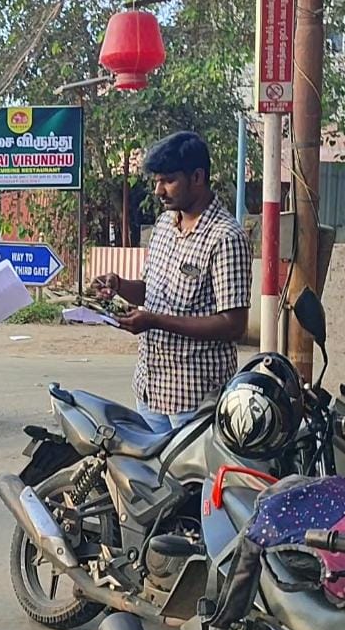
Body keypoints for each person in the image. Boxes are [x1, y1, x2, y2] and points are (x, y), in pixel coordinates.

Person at [94, 131, 252, 432]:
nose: (158, 190)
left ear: (197, 177)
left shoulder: (226, 238)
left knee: (196, 481)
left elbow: (233, 325)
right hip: (151, 389)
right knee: (150, 479)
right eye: (156, 181)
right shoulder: (166, 223)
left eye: (167, 180)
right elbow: (150, 290)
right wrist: (119, 285)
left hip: (195, 399)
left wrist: (155, 321)